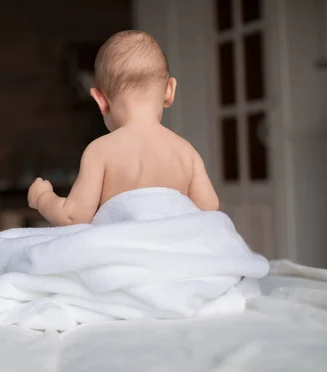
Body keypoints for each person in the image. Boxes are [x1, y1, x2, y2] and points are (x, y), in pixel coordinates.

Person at [27, 30, 219, 226]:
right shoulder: (187, 153)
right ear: (169, 91)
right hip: (175, 254)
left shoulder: (100, 151)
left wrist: (42, 198)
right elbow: (210, 210)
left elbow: (72, 216)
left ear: (101, 101)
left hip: (121, 256)